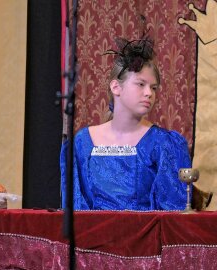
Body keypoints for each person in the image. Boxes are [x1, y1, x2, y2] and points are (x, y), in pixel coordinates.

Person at [60, 35, 191, 210]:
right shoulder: (82, 143)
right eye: (141, 84)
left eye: (153, 88)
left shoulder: (164, 144)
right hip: (92, 236)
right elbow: (75, 208)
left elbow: (173, 211)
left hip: (145, 236)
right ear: (116, 87)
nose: (149, 93)